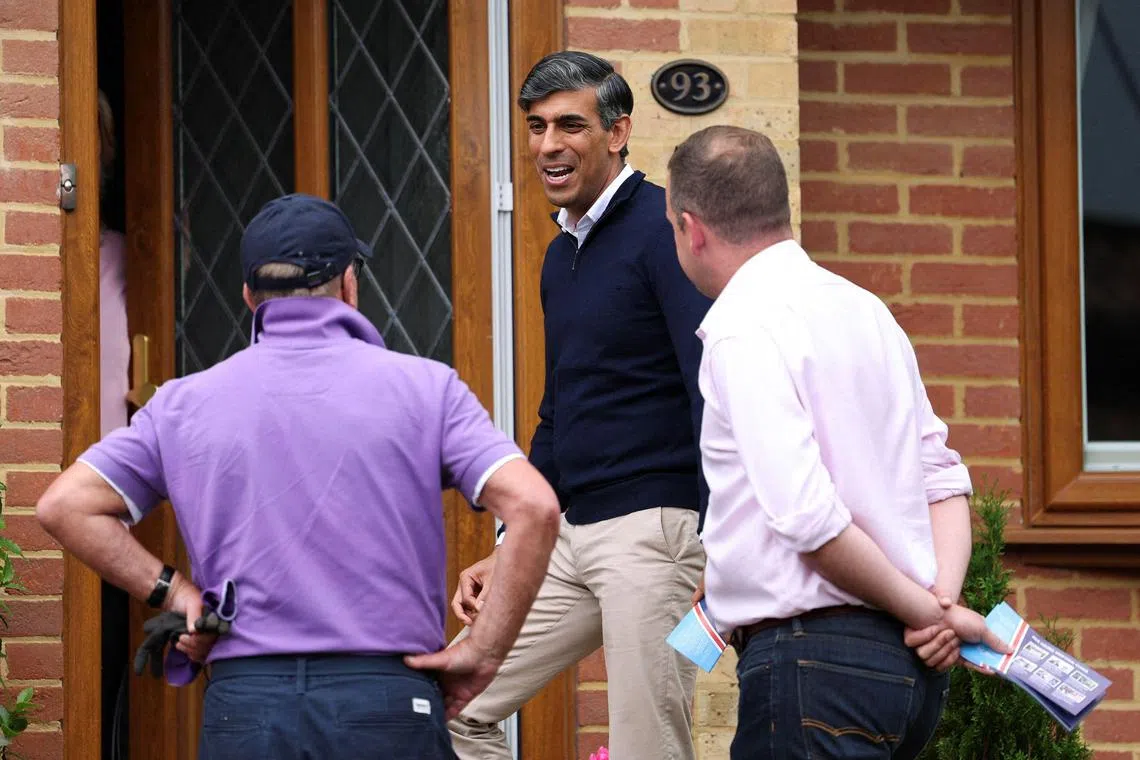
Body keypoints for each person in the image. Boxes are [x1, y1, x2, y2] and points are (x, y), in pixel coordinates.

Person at [37, 193, 561, 760]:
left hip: (249, 708)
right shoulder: (428, 390)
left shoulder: (182, 405)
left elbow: (64, 505)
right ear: (348, 284)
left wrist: (175, 590)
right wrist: (482, 652)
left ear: (248, 297)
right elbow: (534, 507)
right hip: (385, 702)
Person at [665, 125, 1007, 760]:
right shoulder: (866, 309)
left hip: (812, 664)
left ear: (692, 227)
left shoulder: (743, 326)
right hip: (906, 674)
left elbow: (809, 521)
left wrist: (930, 614)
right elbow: (943, 479)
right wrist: (942, 600)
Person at [447, 52, 711, 760]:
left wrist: (725, 535)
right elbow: (560, 410)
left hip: (653, 533)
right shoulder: (559, 253)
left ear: (618, 133)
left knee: (644, 749)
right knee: (451, 707)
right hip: (569, 534)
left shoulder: (665, 231)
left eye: (570, 125)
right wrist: (510, 545)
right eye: (535, 128)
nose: (547, 146)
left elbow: (708, 385)